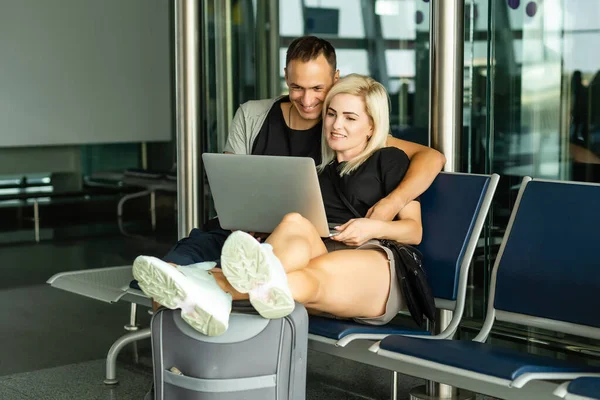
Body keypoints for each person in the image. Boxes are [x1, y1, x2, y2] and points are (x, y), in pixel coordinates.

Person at [133, 74, 423, 335]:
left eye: (350, 118)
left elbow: (413, 230)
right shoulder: (317, 168)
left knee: (304, 279)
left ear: (371, 125)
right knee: (294, 222)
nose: (336, 125)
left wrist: (372, 226)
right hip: (320, 251)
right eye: (332, 114)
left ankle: (208, 283)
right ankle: (215, 286)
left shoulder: (390, 159)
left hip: (370, 260)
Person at [154, 36, 443, 269]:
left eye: (318, 88)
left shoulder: (340, 126)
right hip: (239, 233)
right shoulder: (253, 115)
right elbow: (233, 187)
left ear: (336, 78)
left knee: (226, 280)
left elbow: (431, 157)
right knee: (172, 270)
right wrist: (243, 222)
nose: (307, 100)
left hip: (295, 242)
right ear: (286, 77)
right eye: (296, 87)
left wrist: (392, 204)